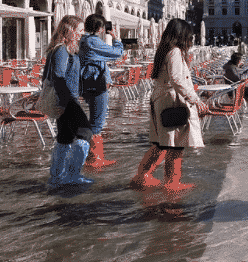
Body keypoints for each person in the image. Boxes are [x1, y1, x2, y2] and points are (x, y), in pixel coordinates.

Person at [131, 19, 208, 192]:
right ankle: (171, 183)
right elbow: (177, 79)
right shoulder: (174, 52)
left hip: (162, 98)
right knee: (174, 144)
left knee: (163, 144)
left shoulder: (165, 50)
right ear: (182, 35)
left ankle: (143, 176)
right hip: (170, 100)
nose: (191, 38)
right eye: (189, 35)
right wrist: (195, 100)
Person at [48, 15, 94, 187]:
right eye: (80, 30)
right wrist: (62, 103)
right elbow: (58, 77)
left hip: (68, 98)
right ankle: (72, 175)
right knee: (85, 132)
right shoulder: (61, 50)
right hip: (66, 100)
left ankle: (57, 176)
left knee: (65, 138)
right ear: (70, 30)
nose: (83, 33)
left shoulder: (68, 49)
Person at [78, 14, 124, 168]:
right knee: (98, 121)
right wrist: (116, 39)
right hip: (97, 84)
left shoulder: (84, 40)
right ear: (99, 28)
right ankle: (95, 159)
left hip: (88, 83)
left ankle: (92, 156)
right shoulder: (93, 41)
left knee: (95, 119)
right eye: (103, 26)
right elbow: (117, 53)